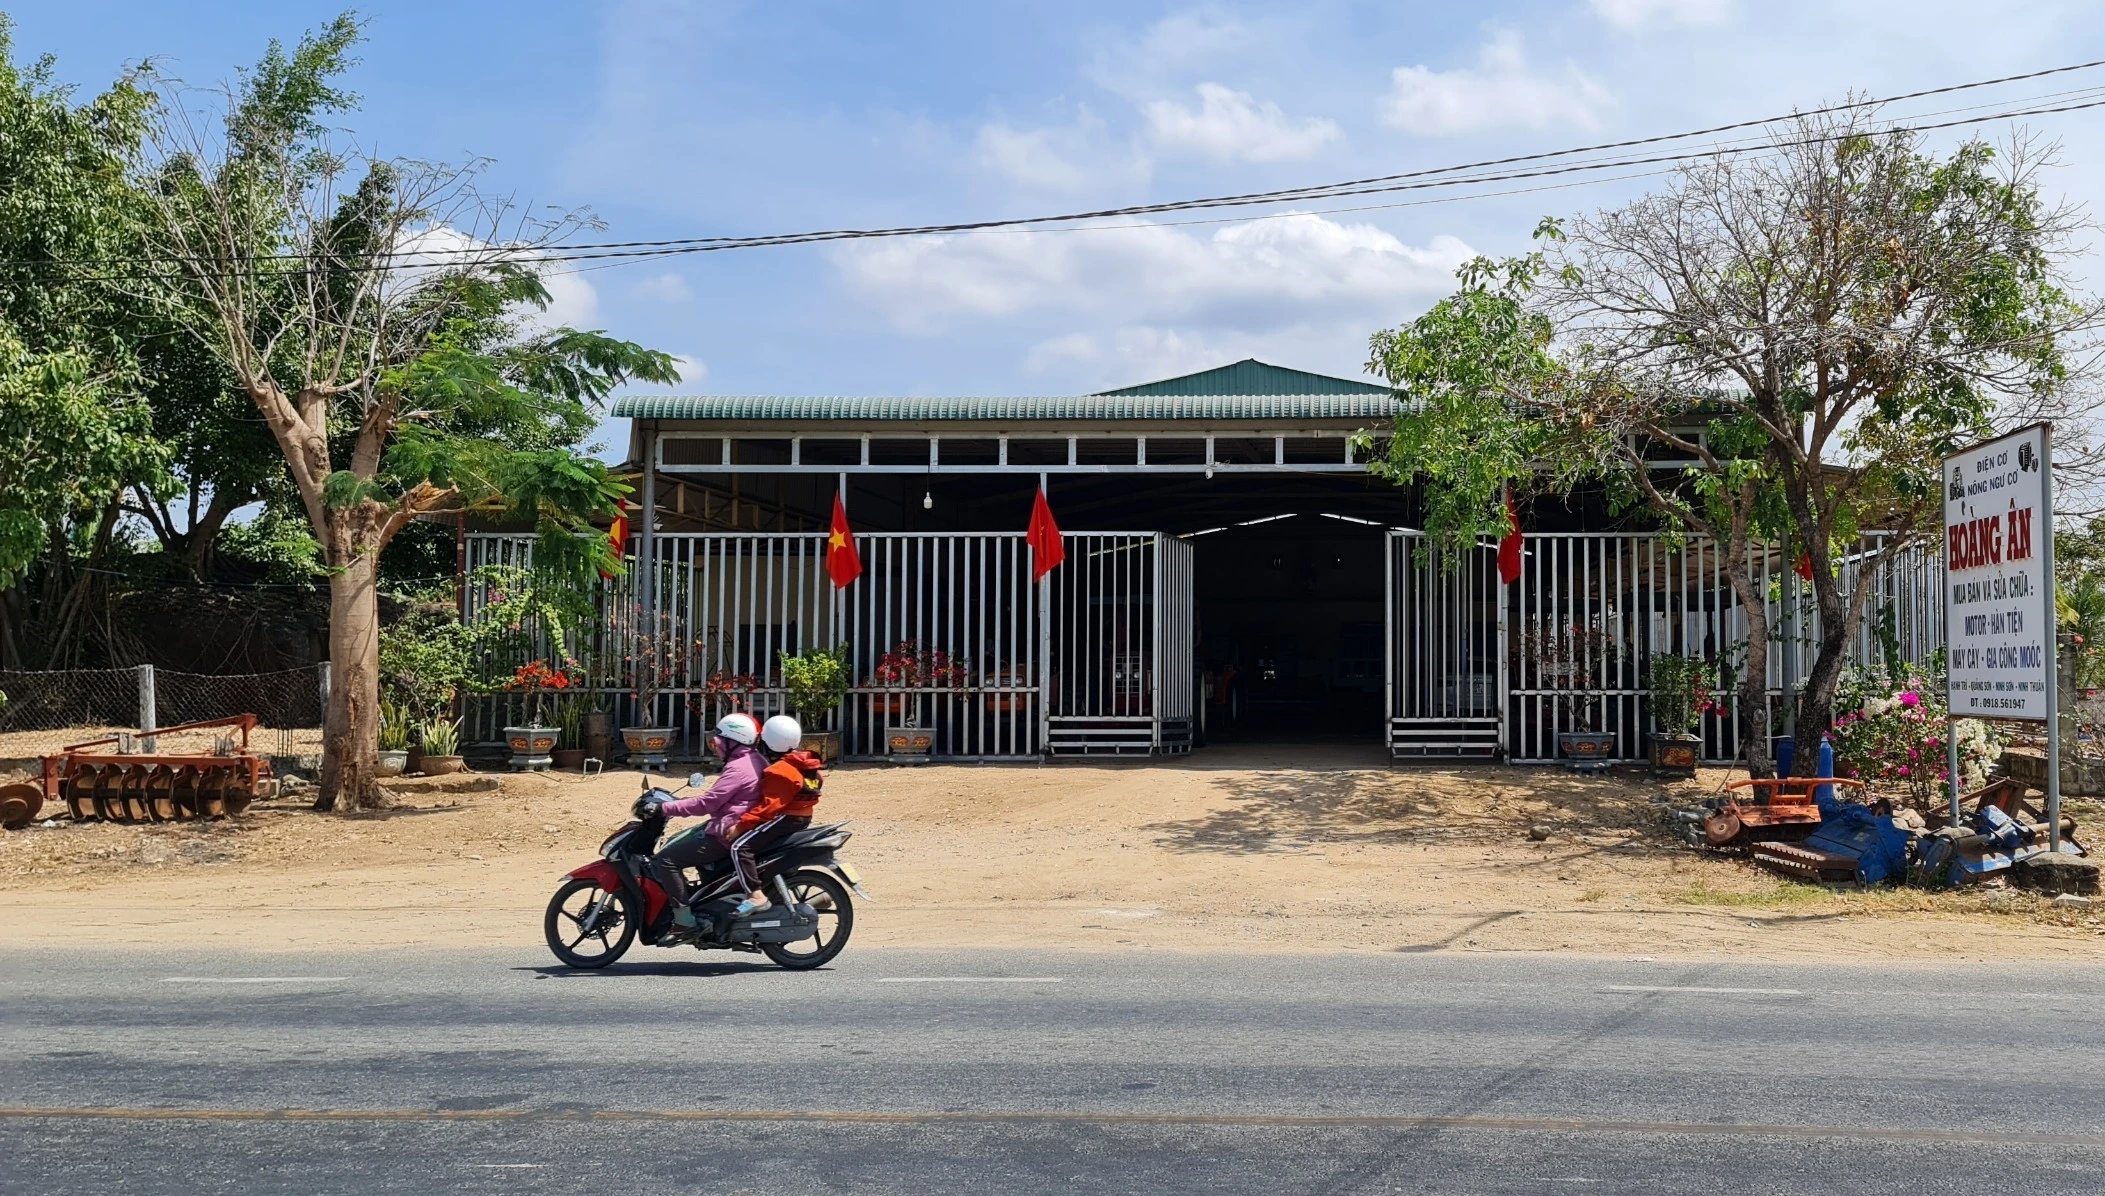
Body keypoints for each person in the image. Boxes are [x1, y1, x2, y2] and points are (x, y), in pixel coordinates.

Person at [648, 712, 765, 935]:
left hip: (726, 834)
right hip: (733, 827)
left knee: (666, 859)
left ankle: (684, 921)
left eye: (721, 739)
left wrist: (665, 807)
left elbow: (706, 804)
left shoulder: (738, 768)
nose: (717, 745)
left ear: (734, 741)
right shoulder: (755, 759)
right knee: (682, 839)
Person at [724, 715, 825, 915]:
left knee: (739, 847)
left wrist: (740, 826)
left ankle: (755, 895)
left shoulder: (779, 771)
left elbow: (767, 808)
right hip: (803, 817)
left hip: (786, 818)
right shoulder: (805, 765)